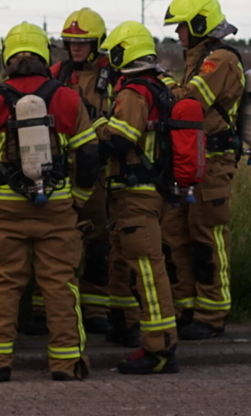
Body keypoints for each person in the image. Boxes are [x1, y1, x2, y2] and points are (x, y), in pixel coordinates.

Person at [0, 22, 99, 382]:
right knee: (60, 283)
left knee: (2, 283)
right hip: (56, 207)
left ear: (7, 57)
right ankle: (67, 364)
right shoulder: (68, 97)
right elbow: (88, 157)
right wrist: (76, 201)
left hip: (2, 210)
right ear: (44, 55)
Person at [97, 21, 181, 374]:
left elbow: (120, 140)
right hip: (149, 193)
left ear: (122, 53)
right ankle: (125, 324)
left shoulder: (133, 93)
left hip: (137, 195)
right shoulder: (161, 87)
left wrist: (95, 129)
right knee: (129, 262)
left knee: (148, 270)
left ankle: (159, 349)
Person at [22, 8, 111, 336]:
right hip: (58, 171)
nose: (75, 48)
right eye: (71, 42)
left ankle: (97, 308)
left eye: (83, 42)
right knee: (53, 242)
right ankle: (43, 309)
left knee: (99, 240)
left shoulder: (111, 77)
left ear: (96, 43)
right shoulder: (55, 73)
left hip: (96, 171)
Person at [161, 0, 244, 340]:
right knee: (176, 232)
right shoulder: (197, 58)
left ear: (199, 24)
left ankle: (212, 314)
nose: (178, 34)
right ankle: (186, 306)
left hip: (213, 161)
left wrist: (159, 84)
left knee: (207, 235)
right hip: (191, 160)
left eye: (182, 27)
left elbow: (190, 101)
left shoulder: (219, 60)